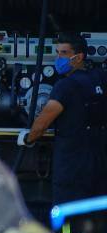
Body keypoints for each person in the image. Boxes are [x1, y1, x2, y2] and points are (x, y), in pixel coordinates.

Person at [18, 32, 107, 205]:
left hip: (72, 168)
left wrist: (28, 138)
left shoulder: (65, 86)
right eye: (58, 53)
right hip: (99, 164)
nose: (58, 58)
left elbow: (43, 122)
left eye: (64, 53)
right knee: (97, 215)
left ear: (79, 56)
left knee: (66, 214)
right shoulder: (101, 78)